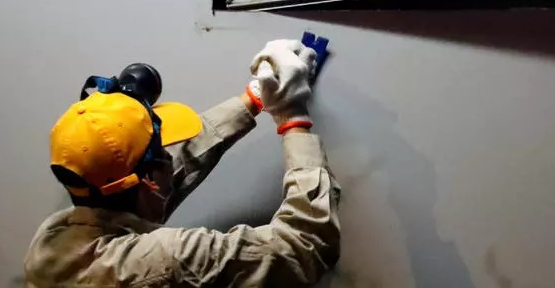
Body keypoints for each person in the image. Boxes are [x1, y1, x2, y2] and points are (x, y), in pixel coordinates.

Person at [24, 39, 341, 287]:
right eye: (164, 151)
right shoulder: (165, 261)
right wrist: (292, 119)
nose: (172, 157)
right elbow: (305, 244)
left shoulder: (52, 240)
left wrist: (254, 98)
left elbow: (170, 174)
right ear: (149, 180)